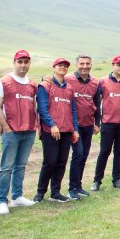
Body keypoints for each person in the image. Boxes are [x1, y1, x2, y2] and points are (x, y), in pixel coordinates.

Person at [0, 50, 38, 213]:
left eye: (26, 62)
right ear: (14, 62)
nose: (23, 65)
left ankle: (17, 196)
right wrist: (6, 128)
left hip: (29, 131)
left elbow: (34, 105)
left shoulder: (32, 84)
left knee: (21, 165)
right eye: (20, 61)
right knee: (7, 167)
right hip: (11, 132)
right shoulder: (3, 82)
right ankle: (2, 200)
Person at [34, 58, 79, 203]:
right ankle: (40, 192)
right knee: (50, 161)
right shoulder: (45, 86)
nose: (63, 68)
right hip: (50, 130)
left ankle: (56, 192)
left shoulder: (70, 88)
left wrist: (75, 129)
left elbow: (73, 110)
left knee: (61, 161)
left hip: (66, 130)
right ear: (53, 68)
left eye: (65, 66)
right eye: (60, 65)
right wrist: (52, 124)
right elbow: (42, 108)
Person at [92, 55, 120, 191]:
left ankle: (116, 179)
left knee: (119, 151)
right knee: (104, 151)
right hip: (108, 122)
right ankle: (97, 181)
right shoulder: (103, 81)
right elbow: (97, 102)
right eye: (118, 65)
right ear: (113, 65)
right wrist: (97, 122)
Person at [64, 54, 100, 200]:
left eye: (87, 64)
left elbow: (97, 103)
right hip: (74, 126)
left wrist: (97, 123)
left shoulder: (95, 83)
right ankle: (72, 189)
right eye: (82, 63)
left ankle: (78, 186)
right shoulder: (68, 79)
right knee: (78, 154)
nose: (85, 66)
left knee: (84, 155)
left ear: (91, 65)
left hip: (88, 125)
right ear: (76, 65)